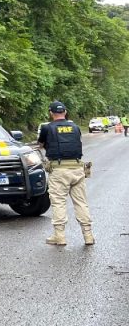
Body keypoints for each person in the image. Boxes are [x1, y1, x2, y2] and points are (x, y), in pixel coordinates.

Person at [37, 100, 93, 246]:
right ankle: (88, 236)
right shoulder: (75, 127)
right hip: (77, 169)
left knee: (59, 203)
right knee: (81, 203)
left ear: (51, 113)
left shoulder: (47, 128)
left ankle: (59, 236)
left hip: (59, 170)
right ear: (65, 112)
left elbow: (41, 145)